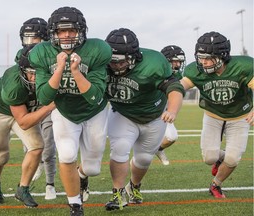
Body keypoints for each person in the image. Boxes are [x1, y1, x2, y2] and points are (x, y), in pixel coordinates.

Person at [28, 6, 112, 216]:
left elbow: (94, 98)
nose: (66, 35)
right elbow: (45, 98)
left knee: (93, 168)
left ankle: (82, 176)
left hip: (94, 112)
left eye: (72, 30)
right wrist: (58, 70)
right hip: (64, 110)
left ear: (81, 31)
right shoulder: (42, 52)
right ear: (53, 33)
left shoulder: (97, 50)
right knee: (66, 155)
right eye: (61, 31)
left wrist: (75, 71)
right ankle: (75, 204)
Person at [104, 28, 185, 211]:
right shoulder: (101, 62)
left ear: (133, 57)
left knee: (143, 160)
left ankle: (134, 186)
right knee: (120, 150)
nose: (116, 66)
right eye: (112, 61)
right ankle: (117, 193)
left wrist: (172, 110)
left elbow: (175, 87)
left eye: (121, 61)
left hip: (154, 116)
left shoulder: (154, 62)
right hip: (123, 113)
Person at [180, 31, 253, 199]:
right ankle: (220, 159)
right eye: (200, 57)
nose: (203, 62)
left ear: (222, 56)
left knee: (233, 159)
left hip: (240, 115)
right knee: (209, 157)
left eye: (208, 58)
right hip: (213, 114)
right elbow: (180, 86)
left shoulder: (243, 66)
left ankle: (216, 184)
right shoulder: (195, 70)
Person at [0, 45, 55, 207]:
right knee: (1, 156)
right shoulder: (14, 84)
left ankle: (22, 189)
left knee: (37, 146)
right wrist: (50, 106)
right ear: (23, 70)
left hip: (26, 111)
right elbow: (23, 121)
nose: (36, 79)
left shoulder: (54, 73)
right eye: (32, 73)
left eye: (40, 73)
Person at [18, 17, 57, 200]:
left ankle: (50, 184)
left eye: (34, 39)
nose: (29, 44)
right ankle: (34, 171)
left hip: (48, 102)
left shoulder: (52, 53)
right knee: (30, 146)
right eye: (26, 39)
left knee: (48, 146)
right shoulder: (20, 55)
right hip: (31, 104)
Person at [155, 45, 186, 165]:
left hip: (163, 110)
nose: (178, 64)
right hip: (148, 109)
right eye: (175, 61)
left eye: (180, 61)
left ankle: (158, 149)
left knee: (171, 137)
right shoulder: (155, 71)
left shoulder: (176, 75)